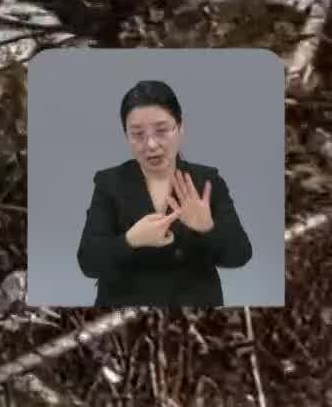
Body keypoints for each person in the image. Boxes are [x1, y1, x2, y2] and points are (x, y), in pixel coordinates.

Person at [75, 80, 252, 307]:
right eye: (137, 134)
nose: (150, 144)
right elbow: (88, 262)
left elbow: (240, 254)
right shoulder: (109, 183)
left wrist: (206, 229)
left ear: (180, 128)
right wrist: (131, 241)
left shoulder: (206, 181)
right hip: (124, 319)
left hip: (195, 317)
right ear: (126, 136)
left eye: (161, 131)